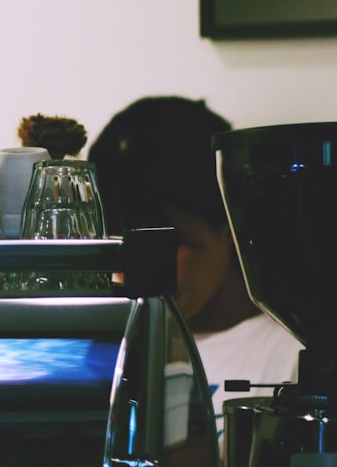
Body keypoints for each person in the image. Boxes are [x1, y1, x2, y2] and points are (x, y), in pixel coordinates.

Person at [88, 96, 301, 457]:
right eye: (117, 245)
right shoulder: (101, 349)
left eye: (167, 244)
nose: (133, 271)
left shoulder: (293, 358)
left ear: (229, 226)